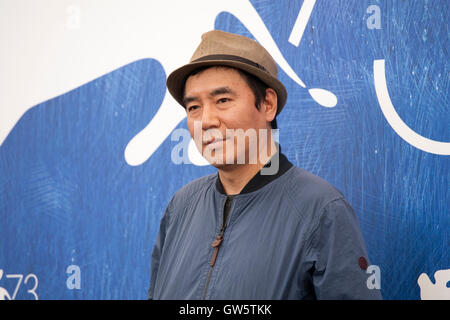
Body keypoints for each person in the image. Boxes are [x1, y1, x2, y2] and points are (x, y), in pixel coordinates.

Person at [148, 30, 382, 300]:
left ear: (268, 104)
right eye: (193, 108)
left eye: (222, 100)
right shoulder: (181, 207)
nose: (206, 120)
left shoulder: (321, 209)